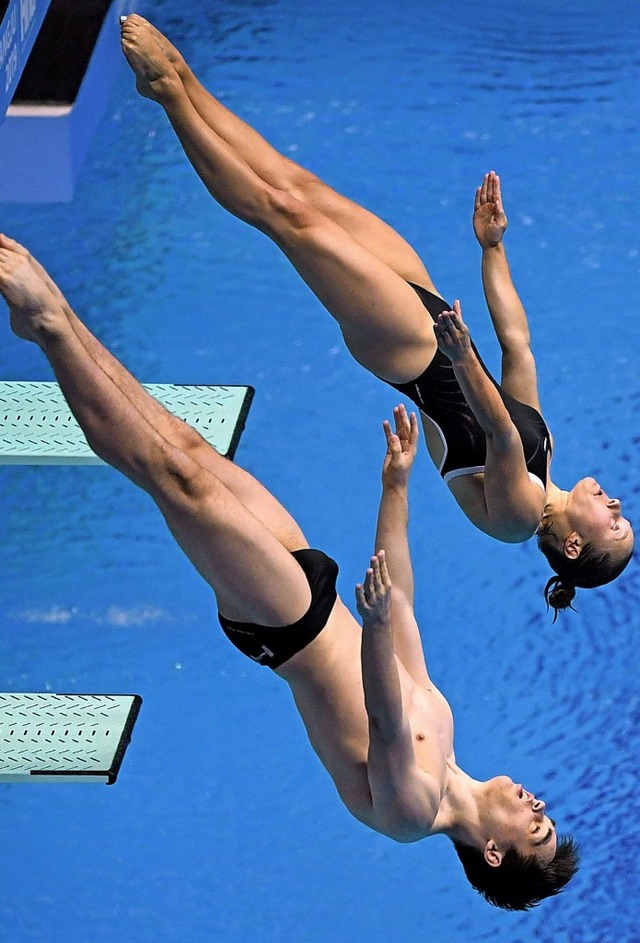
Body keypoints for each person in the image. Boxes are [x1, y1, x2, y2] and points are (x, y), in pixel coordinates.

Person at [0, 234, 578, 909]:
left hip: (287, 626)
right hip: (312, 586)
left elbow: (387, 719)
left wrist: (376, 626)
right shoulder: (446, 734)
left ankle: (48, 324)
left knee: (174, 476)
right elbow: (404, 612)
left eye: (535, 825)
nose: (536, 803)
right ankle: (52, 322)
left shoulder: (412, 812)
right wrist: (396, 488)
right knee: (186, 446)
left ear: (494, 852)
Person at [118, 15, 633, 618]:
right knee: (300, 186)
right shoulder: (547, 450)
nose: (618, 506)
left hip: (411, 351)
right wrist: (493, 250)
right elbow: (518, 348)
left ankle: (171, 96)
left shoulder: (518, 519)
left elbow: (494, 431)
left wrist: (462, 356)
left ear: (573, 546)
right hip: (434, 313)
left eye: (614, 526)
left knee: (285, 215)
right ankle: (183, 79)